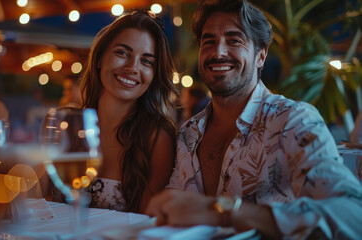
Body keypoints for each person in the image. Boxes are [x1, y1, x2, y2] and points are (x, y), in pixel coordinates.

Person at [146, 0, 362, 239]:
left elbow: (352, 214)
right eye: (209, 41)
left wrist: (224, 212)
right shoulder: (188, 133)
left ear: (261, 56)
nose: (218, 52)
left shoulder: (293, 120)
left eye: (234, 40)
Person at [80, 10, 177, 213]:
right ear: (100, 58)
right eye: (123, 53)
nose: (132, 68)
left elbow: (148, 221)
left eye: (146, 61)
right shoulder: (67, 124)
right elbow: (38, 203)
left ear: (153, 75)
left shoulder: (157, 137)